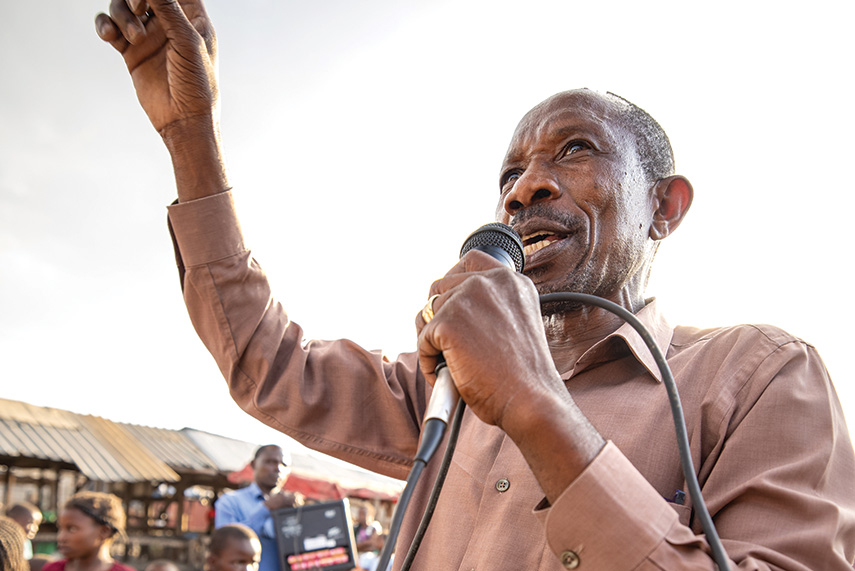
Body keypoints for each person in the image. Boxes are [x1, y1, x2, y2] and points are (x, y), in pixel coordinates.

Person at [95, 0, 855, 569]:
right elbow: (266, 360)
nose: (525, 189)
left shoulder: (761, 374)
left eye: (574, 150)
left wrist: (532, 401)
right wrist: (189, 136)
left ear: (663, 206)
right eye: (509, 176)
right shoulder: (444, 390)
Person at [214, 446, 301, 571]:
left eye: (284, 464)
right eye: (270, 462)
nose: (278, 468)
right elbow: (226, 546)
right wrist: (266, 508)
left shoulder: (293, 507)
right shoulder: (229, 502)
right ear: (254, 464)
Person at [42, 491, 135, 571]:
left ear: (104, 531)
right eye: (60, 528)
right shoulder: (52, 569)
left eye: (72, 529)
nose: (61, 537)